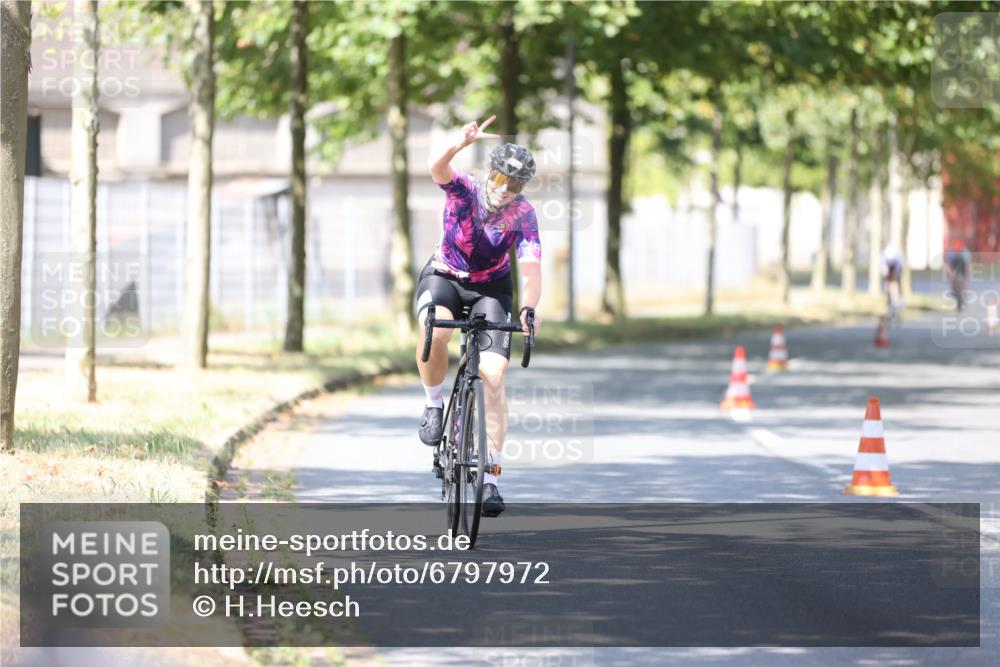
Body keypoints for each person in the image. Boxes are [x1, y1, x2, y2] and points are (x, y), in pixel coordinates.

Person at [414, 115, 542, 518]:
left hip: (491, 287)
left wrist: (529, 307)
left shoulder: (523, 214)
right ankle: (434, 404)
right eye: (503, 180)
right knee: (435, 332)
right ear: (492, 173)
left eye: (516, 185)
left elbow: (532, 267)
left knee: (495, 375)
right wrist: (459, 142)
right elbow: (435, 167)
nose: (507, 191)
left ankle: (491, 479)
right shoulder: (464, 188)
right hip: (445, 276)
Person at [944, 238, 972, 312]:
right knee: (953, 283)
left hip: (962, 268)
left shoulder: (965, 252)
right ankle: (954, 292)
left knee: (962, 285)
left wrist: (966, 278)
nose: (958, 252)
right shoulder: (951, 253)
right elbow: (948, 265)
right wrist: (950, 275)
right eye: (957, 251)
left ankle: (962, 296)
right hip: (953, 267)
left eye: (959, 251)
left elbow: (967, 266)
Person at [880, 244, 904, 318]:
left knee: (895, 288)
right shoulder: (883, 259)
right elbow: (884, 272)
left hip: (896, 274)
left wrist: (895, 278)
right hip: (887, 274)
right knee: (888, 290)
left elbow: (898, 272)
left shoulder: (898, 260)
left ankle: (897, 304)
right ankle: (889, 306)